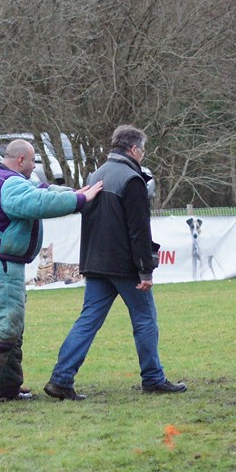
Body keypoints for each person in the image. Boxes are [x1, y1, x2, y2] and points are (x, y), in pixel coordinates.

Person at [0, 139, 103, 408]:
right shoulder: (10, 185)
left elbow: (40, 189)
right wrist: (78, 200)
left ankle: (5, 387)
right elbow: (37, 202)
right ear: (21, 160)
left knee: (11, 328)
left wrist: (74, 192)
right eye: (33, 162)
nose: (34, 167)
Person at [44, 125, 186, 400]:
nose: (143, 155)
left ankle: (61, 379)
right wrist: (145, 269)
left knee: (87, 321)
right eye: (142, 150)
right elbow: (138, 228)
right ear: (134, 149)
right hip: (124, 265)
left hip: (95, 262)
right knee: (145, 320)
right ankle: (153, 378)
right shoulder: (132, 180)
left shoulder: (95, 175)